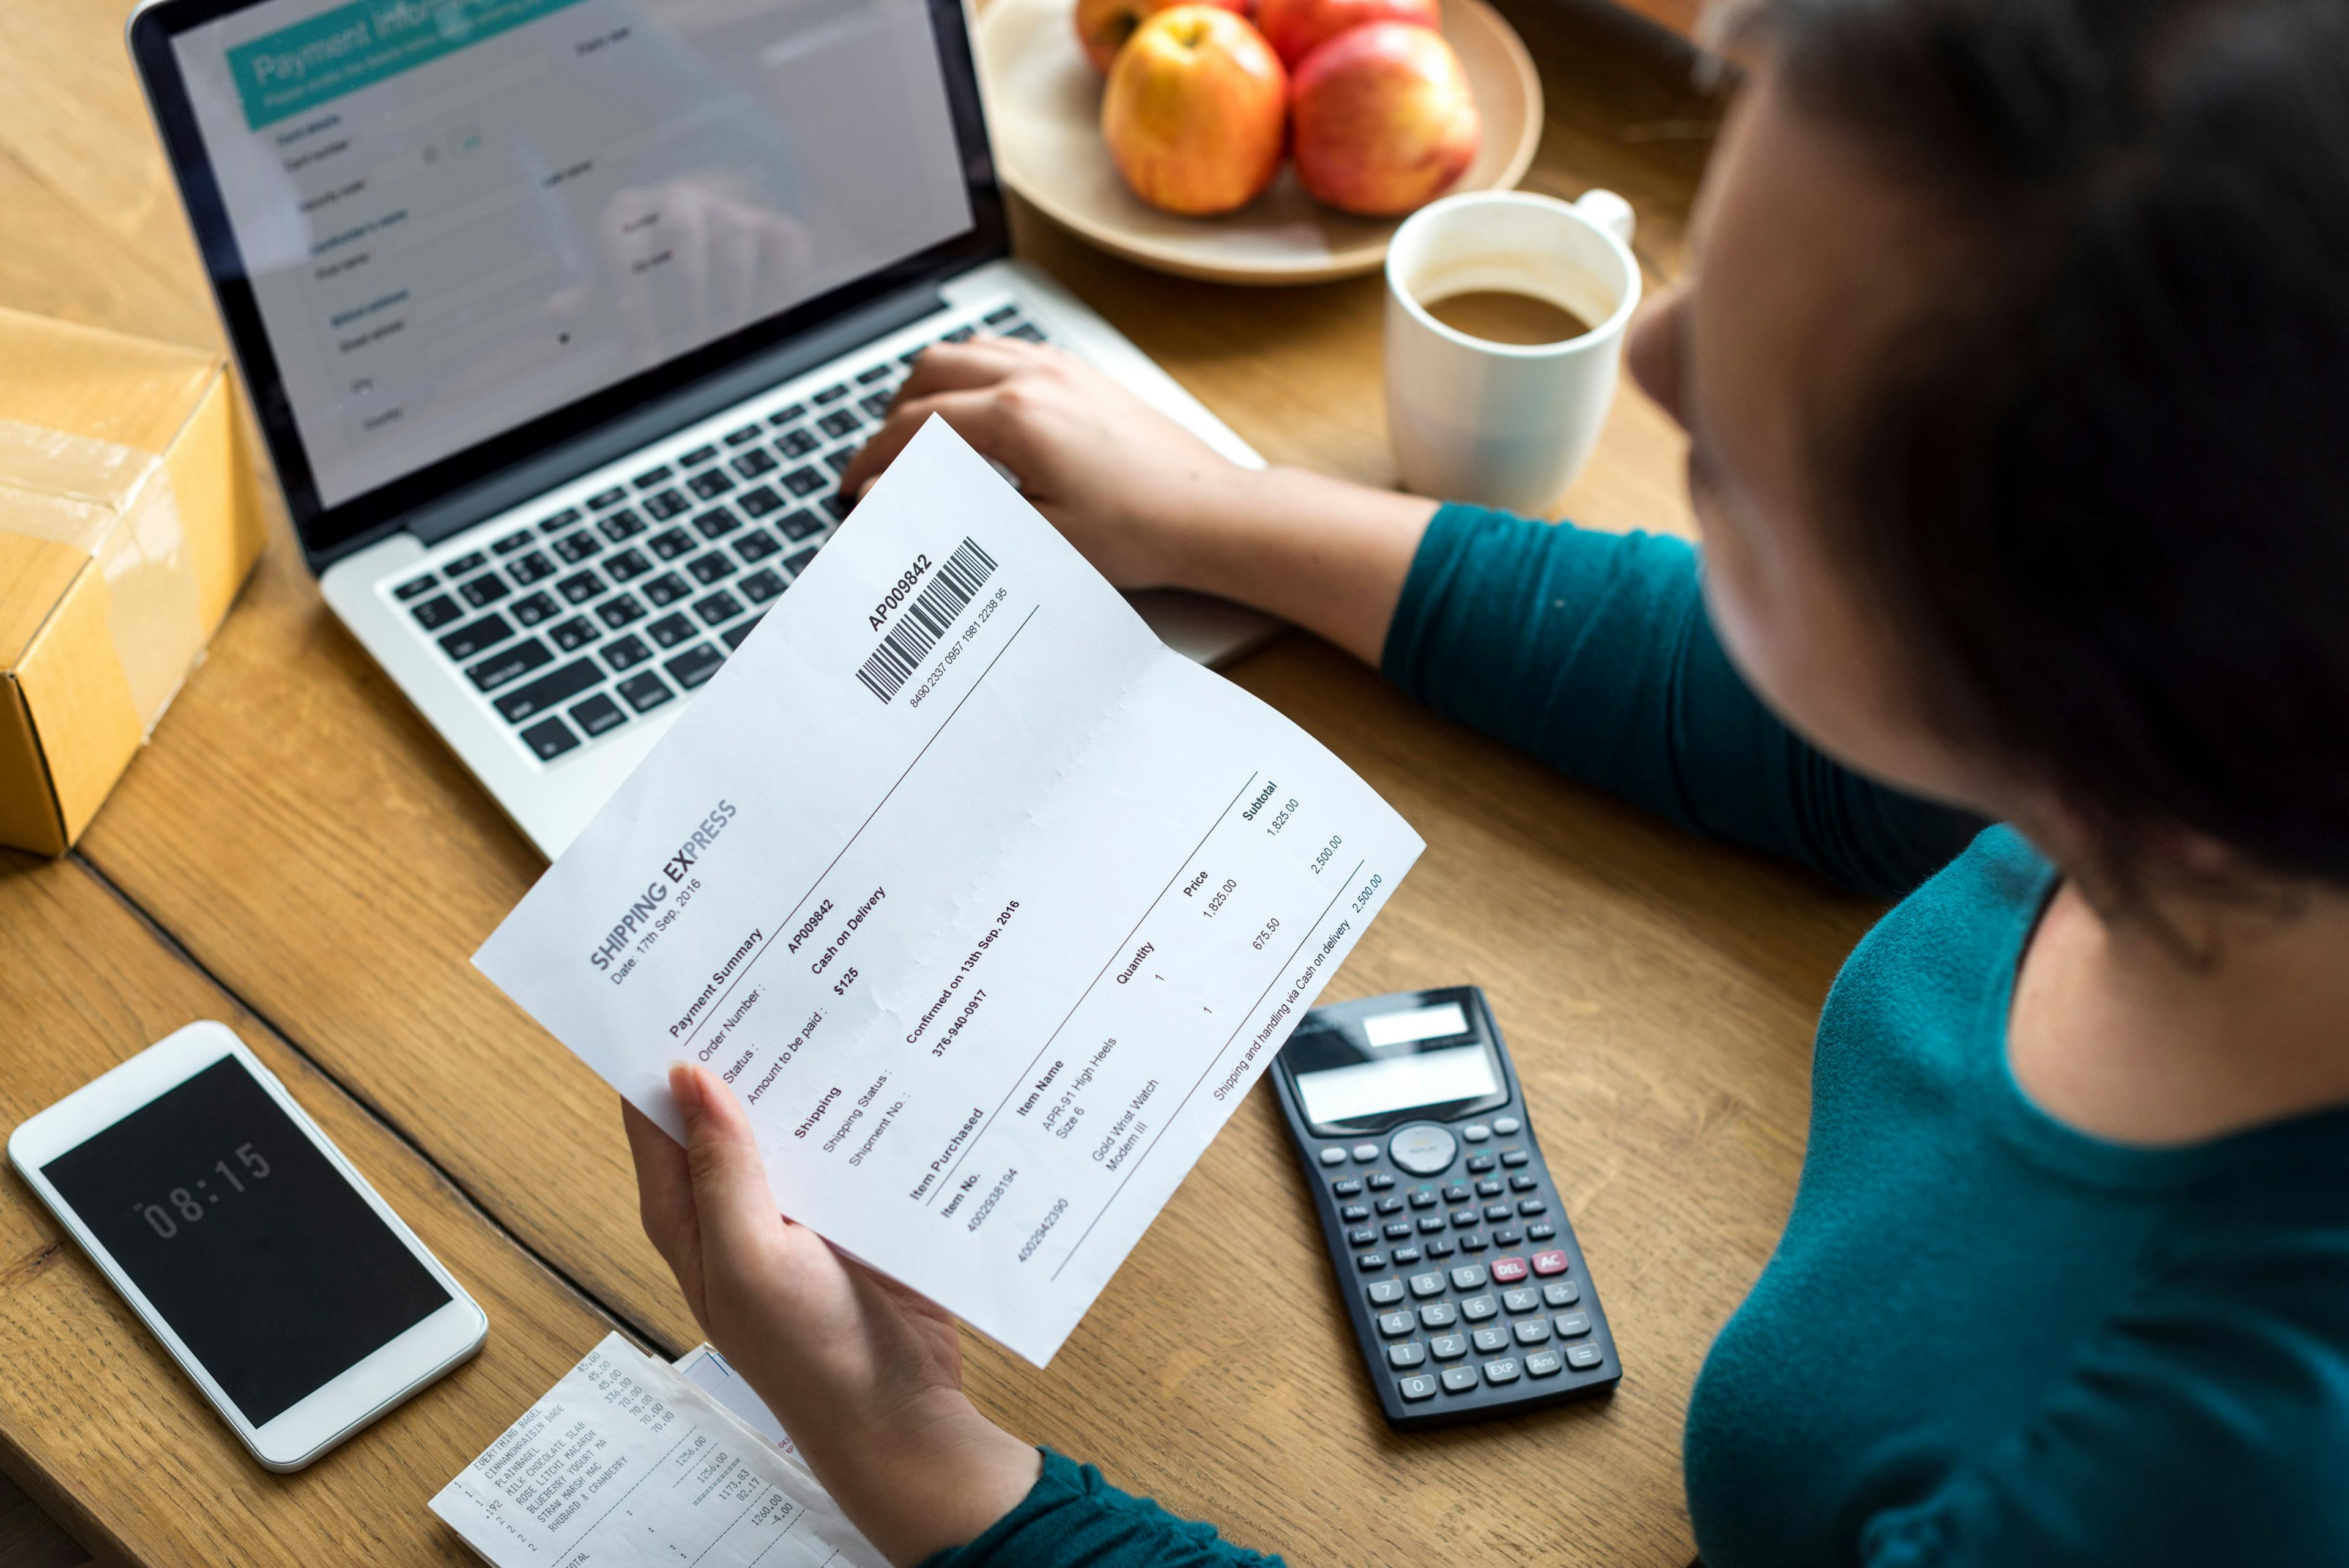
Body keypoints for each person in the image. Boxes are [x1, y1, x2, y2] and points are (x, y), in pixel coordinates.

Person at [620, 0, 2349, 1561]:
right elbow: (1815, 730)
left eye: (1761, 419)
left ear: (2092, 611)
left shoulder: (2195, 1472)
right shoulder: (2245, 743)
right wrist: (1212, 511)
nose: (1658, 362)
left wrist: (907, 1448)